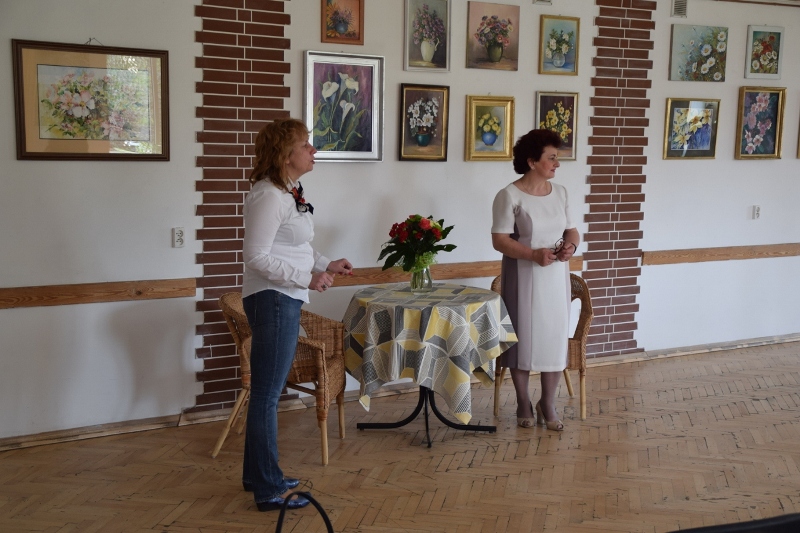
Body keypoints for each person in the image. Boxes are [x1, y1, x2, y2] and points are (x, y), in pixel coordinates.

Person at [241, 118, 353, 511]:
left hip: (282, 297)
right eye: (305, 144)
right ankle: (268, 489)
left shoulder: (287, 192)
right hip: (273, 299)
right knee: (267, 395)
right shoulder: (269, 196)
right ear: (285, 154)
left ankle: (256, 475)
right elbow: (255, 256)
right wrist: (307, 278)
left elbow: (296, 247)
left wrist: (326, 264)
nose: (313, 150)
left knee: (266, 393)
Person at [490, 129, 579, 431]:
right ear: (532, 161)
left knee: (554, 337)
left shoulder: (561, 192)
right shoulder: (508, 195)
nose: (557, 163)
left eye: (557, 158)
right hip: (522, 275)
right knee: (523, 339)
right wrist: (532, 254)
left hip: (555, 277)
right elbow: (499, 240)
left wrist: (571, 247)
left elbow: (572, 230)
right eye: (551, 158)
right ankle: (523, 401)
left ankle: (548, 403)